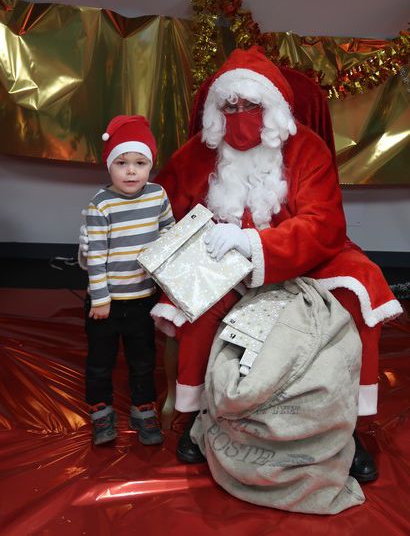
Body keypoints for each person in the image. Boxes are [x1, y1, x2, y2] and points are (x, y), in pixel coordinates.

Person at [150, 45, 403, 479]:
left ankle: (350, 426)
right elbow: (162, 211)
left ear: (273, 108)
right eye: (229, 105)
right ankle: (195, 414)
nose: (239, 115)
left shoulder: (307, 148)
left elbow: (324, 224)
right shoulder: (197, 154)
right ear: (215, 110)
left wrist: (255, 243)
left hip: (302, 259)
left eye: (250, 105)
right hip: (222, 261)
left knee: (362, 284)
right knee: (190, 299)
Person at [81, 114, 175, 446]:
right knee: (100, 359)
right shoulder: (100, 205)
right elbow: (95, 256)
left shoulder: (157, 196)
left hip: (141, 298)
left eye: (139, 162)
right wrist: (101, 299)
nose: (131, 171)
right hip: (106, 301)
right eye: (122, 163)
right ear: (110, 166)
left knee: (142, 358)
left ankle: (143, 407)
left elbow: (168, 234)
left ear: (150, 165)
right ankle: (101, 409)